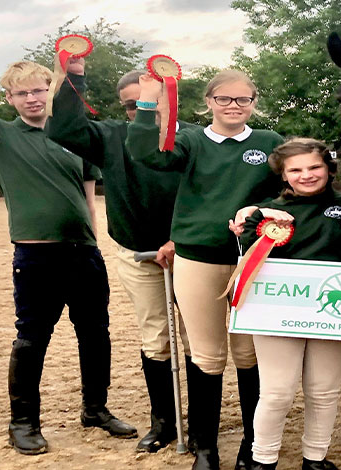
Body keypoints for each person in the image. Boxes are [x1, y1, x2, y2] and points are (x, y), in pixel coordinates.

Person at [0, 24, 136, 455]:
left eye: (39, 90)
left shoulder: (75, 136)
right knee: (32, 336)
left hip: (82, 253)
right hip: (35, 254)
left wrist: (92, 243)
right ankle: (23, 421)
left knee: (95, 333)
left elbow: (88, 198)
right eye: (22, 93)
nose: (32, 98)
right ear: (10, 99)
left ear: (52, 91)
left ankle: (95, 408)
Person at [126, 69, 284, 470]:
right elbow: (146, 153)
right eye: (225, 99)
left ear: (254, 102)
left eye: (243, 100)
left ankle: (253, 444)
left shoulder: (268, 143)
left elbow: (294, 186)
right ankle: (206, 448)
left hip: (252, 260)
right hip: (197, 260)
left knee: (249, 356)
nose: (234, 107)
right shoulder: (191, 139)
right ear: (209, 102)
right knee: (207, 356)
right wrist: (147, 103)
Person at [47, 57, 200, 453]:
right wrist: (73, 76)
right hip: (139, 255)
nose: (138, 111)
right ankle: (164, 422)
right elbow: (63, 127)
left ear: (170, 97)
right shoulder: (112, 136)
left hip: (195, 256)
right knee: (156, 338)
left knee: (197, 341)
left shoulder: (199, 138)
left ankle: (202, 424)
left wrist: (180, 241)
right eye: (131, 105)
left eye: (147, 102)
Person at [228, 138, 341, 470]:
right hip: (277, 315)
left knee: (323, 392)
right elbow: (248, 250)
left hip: (333, 314)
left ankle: (315, 459)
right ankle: (262, 461)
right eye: (295, 169)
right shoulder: (268, 212)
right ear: (283, 174)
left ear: (329, 168)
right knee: (277, 393)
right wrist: (257, 215)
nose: (306, 175)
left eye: (315, 167)